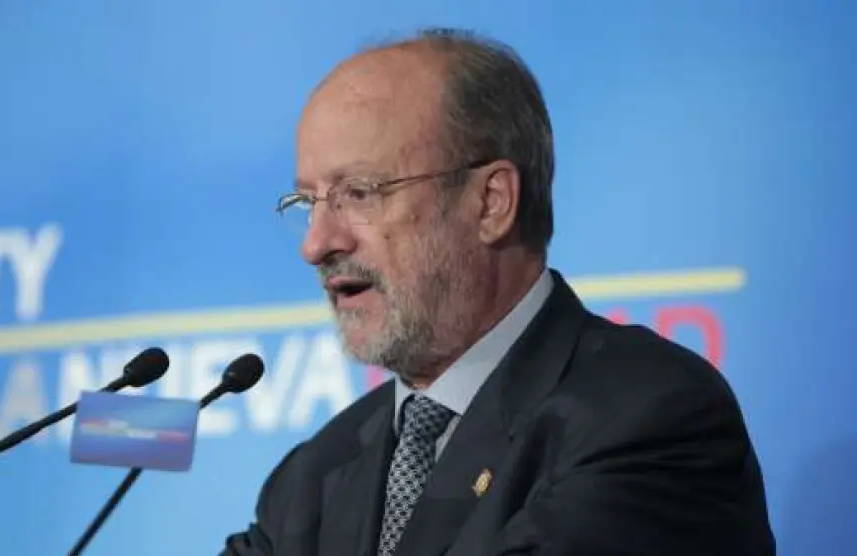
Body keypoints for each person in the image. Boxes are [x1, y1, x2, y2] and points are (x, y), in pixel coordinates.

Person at [221, 27, 775, 556]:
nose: (317, 244)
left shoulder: (647, 417)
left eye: (360, 193)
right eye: (307, 202)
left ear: (491, 203)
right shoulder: (315, 474)